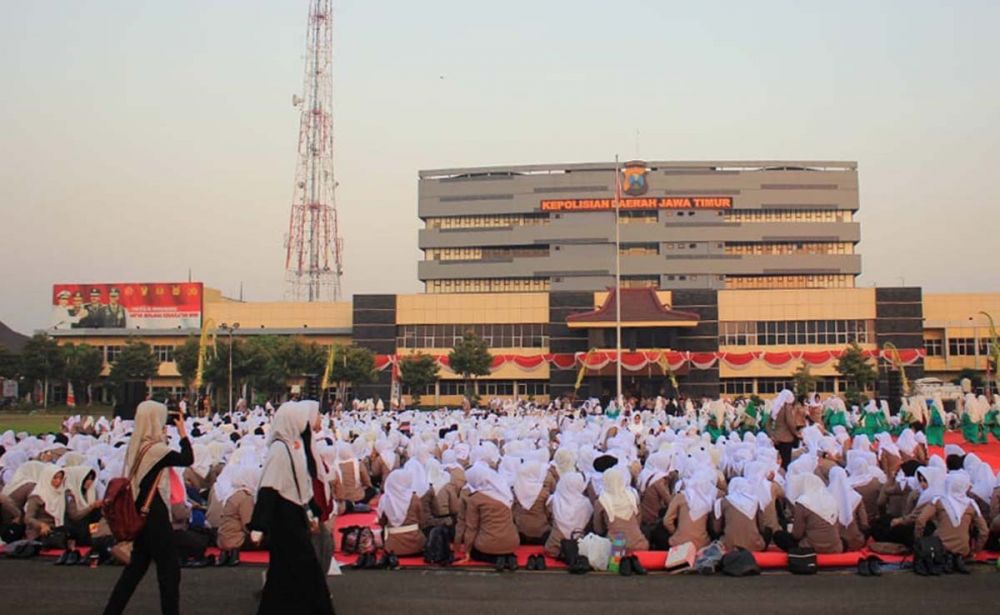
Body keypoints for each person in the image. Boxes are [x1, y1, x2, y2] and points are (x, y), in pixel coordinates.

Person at [103, 401, 194, 615]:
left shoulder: (136, 445)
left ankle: (112, 611)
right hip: (154, 513)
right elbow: (187, 459)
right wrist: (182, 432)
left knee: (136, 568)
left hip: (139, 510)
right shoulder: (156, 450)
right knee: (169, 570)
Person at [249, 402, 334, 615]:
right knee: (306, 567)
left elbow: (302, 485)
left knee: (282, 570)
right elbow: (269, 487)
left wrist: (312, 511)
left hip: (293, 513)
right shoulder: (279, 449)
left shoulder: (292, 446)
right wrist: (258, 525)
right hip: (284, 517)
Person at [914, 474, 988, 567]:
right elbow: (984, 531)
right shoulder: (971, 505)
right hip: (963, 550)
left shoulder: (938, 501)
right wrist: (976, 550)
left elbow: (920, 520)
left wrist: (919, 541)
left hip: (938, 548)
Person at [459, 463, 520, 570]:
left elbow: (471, 528)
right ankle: (508, 557)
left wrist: (467, 550)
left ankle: (496, 559)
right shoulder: (505, 493)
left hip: (487, 545)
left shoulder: (476, 499)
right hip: (512, 542)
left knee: (476, 552)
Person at [594, 466, 649, 551]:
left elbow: (598, 529)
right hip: (639, 543)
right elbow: (638, 520)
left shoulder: (602, 501)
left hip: (617, 547)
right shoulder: (632, 496)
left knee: (613, 563)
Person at [377, 468, 427, 556]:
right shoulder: (414, 499)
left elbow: (382, 522)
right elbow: (422, 520)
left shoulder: (384, 500)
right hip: (416, 545)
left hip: (392, 548)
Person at [543, 471, 592, 558]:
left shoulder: (553, 500)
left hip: (555, 547)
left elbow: (548, 517)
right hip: (578, 547)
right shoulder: (587, 504)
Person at [714, 477, 768, 551]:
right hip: (755, 545)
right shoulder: (756, 502)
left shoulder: (723, 502)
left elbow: (716, 529)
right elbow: (762, 527)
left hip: (729, 546)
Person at [511, 460, 550, 545]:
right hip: (541, 532)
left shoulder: (515, 490)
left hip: (520, 532)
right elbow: (548, 513)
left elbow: (512, 511)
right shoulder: (544, 492)